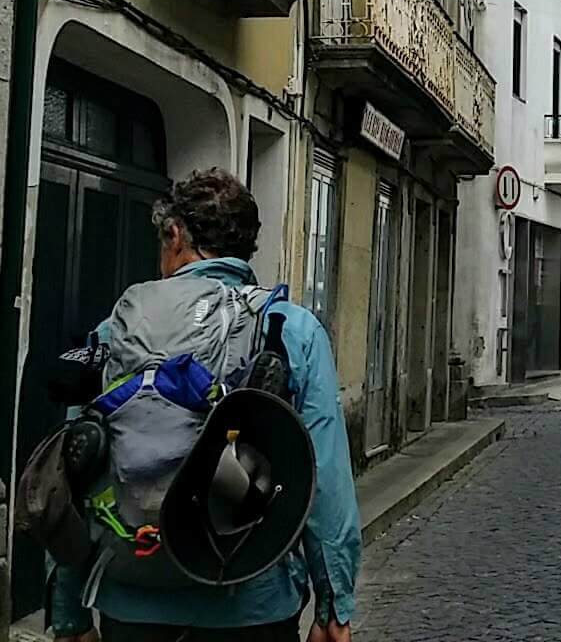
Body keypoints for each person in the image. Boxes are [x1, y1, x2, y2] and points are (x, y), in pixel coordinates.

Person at [50, 169, 360, 642]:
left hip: (132, 599)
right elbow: (324, 479)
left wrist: (68, 611)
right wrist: (334, 607)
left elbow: (75, 468)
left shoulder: (118, 329)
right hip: (250, 598)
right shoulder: (289, 329)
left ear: (176, 235)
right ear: (246, 248)